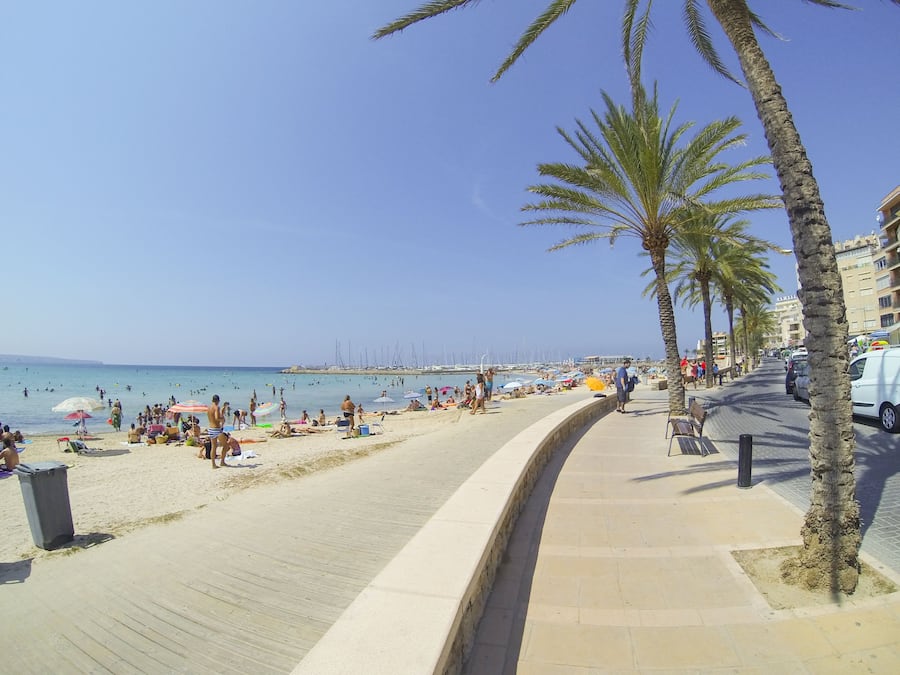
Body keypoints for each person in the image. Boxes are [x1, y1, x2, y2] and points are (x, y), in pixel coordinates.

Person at [207, 394, 227, 469]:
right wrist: (222, 420)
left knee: (214, 446)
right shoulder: (216, 407)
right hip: (216, 429)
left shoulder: (209, 408)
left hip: (210, 428)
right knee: (226, 445)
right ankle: (222, 462)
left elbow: (211, 418)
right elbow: (216, 417)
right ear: (218, 401)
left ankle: (213, 465)